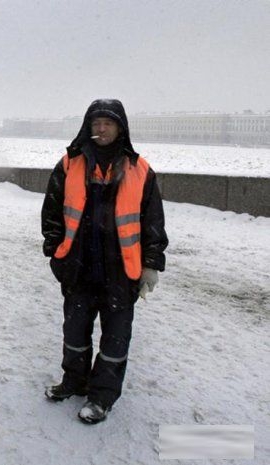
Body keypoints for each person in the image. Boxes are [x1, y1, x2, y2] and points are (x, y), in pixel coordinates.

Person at [41, 99, 168, 424]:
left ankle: (102, 396)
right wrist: (55, 253)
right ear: (87, 126)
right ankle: (74, 381)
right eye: (96, 123)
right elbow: (53, 210)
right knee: (74, 331)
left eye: (108, 123)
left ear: (120, 128)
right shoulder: (70, 163)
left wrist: (151, 263)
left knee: (115, 339)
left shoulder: (140, 169)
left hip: (121, 272)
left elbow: (152, 219)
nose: (101, 129)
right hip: (78, 267)